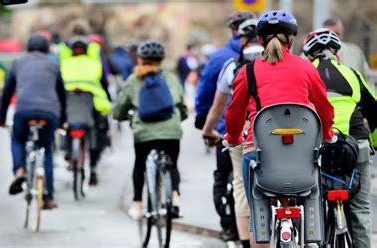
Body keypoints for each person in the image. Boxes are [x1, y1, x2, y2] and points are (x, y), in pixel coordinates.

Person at [223, 10, 335, 247]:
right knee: (311, 193)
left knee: (258, 211)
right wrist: (327, 133)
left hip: (261, 159)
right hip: (301, 160)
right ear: (291, 40)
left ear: (260, 40)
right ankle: (310, 238)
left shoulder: (248, 71)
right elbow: (324, 108)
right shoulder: (306, 69)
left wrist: (232, 137)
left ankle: (261, 232)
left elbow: (233, 113)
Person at [303, 28, 377, 247]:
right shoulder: (353, 74)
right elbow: (374, 112)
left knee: (312, 200)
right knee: (360, 208)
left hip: (319, 148)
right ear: (337, 53)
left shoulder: (306, 74)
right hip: (356, 146)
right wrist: (374, 143)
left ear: (309, 55)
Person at [202, 18, 263, 248]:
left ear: (242, 39)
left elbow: (219, 107)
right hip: (279, 130)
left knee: (240, 182)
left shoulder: (232, 65)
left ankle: (245, 241)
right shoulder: (276, 63)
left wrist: (208, 131)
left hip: (246, 132)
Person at [113, 40, 188, 220]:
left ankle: (138, 204)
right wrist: (181, 117)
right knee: (172, 164)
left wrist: (119, 116)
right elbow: (181, 104)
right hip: (170, 130)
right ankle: (175, 198)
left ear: (140, 59)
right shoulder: (170, 78)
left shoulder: (133, 80)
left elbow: (120, 108)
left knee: (140, 163)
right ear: (161, 60)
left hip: (144, 133)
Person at [0, 34, 67, 210]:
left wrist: (1, 119)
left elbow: (7, 93)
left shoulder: (18, 63)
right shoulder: (54, 64)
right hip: (49, 113)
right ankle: (48, 197)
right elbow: (62, 95)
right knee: (47, 148)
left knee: (18, 139)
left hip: (24, 111)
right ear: (47, 48)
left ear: (28, 47)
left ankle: (20, 170)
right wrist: (62, 121)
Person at [59, 35, 112, 186]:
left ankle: (68, 152)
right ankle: (93, 168)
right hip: (91, 104)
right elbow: (104, 83)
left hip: (69, 104)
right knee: (96, 131)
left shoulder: (64, 63)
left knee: (65, 126)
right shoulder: (94, 63)